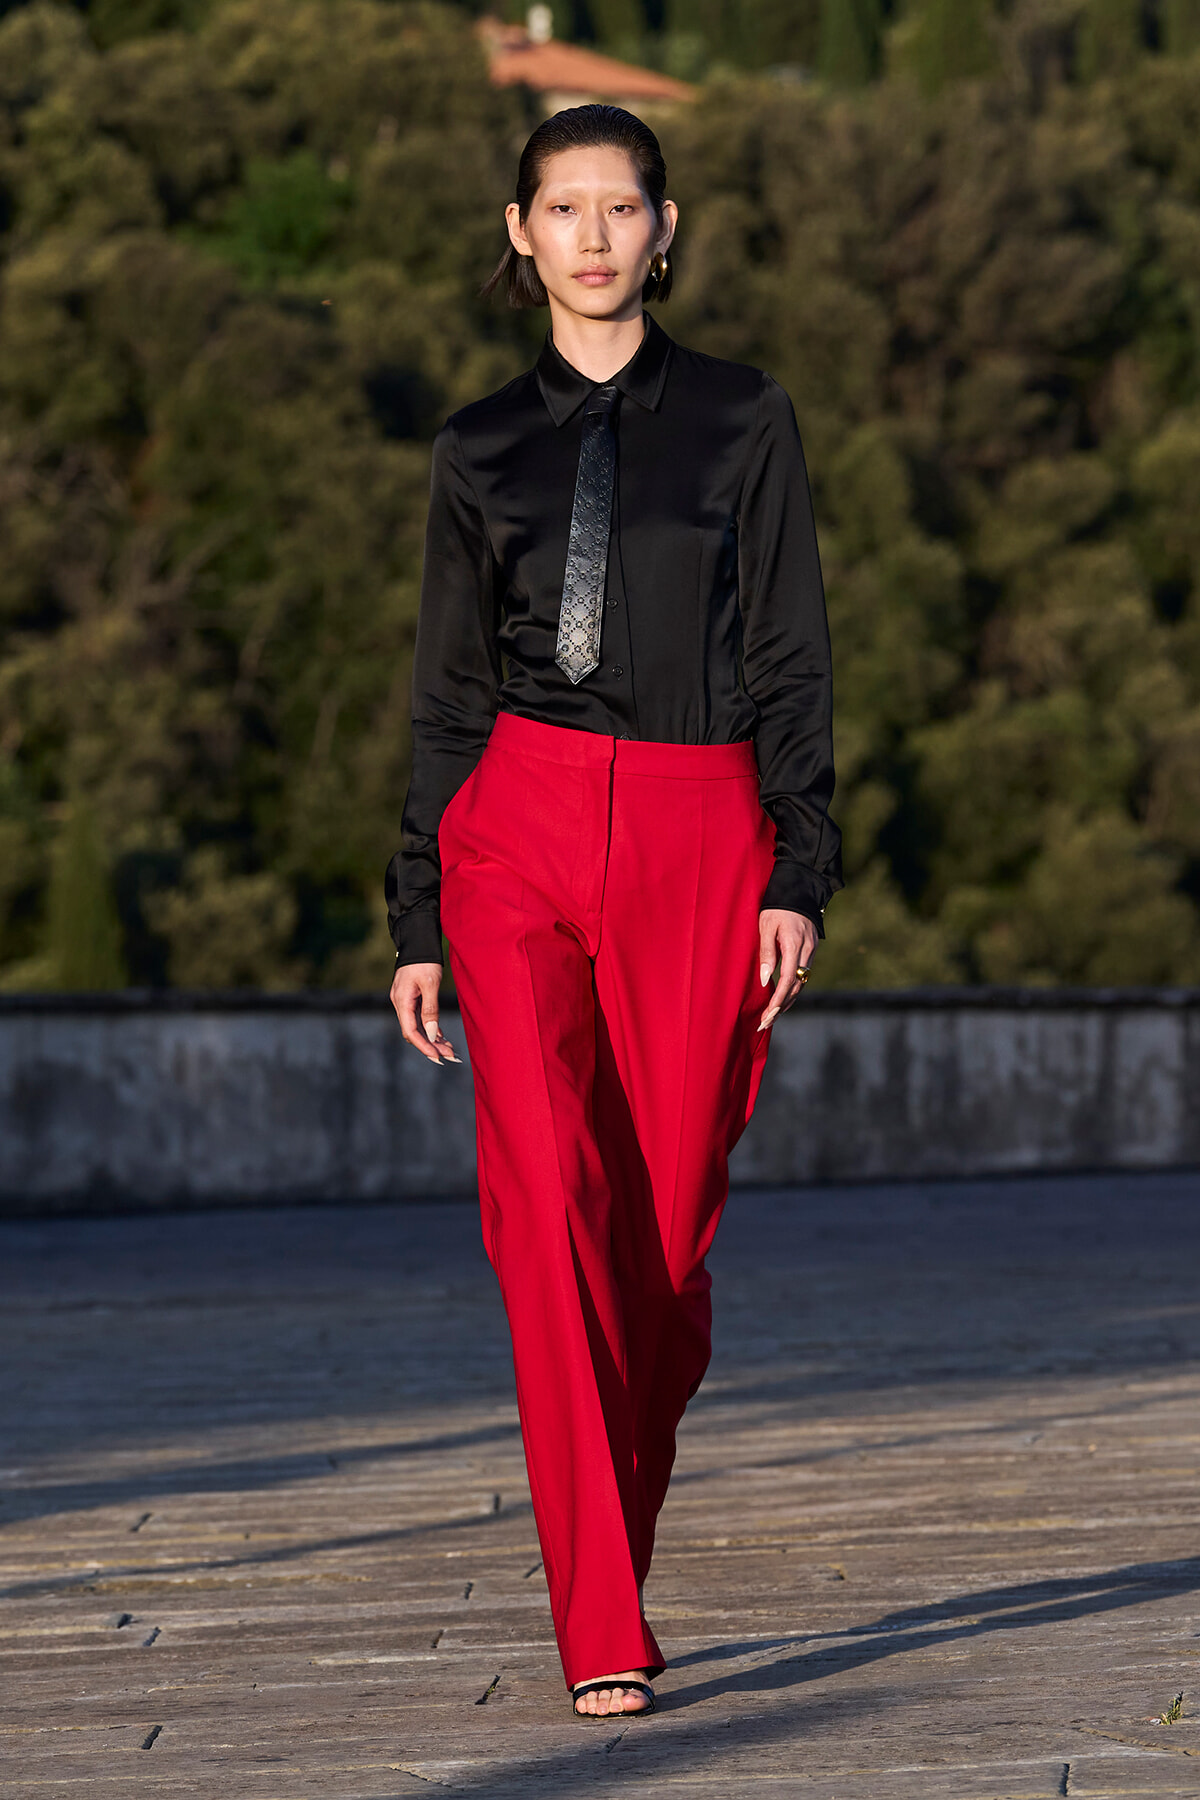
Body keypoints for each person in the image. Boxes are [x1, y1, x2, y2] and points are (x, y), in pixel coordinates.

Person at [385, 102, 842, 1720]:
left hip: (697, 827)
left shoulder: (744, 419)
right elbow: (446, 693)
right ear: (520, 235)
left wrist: (799, 868)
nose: (591, 235)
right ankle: (599, 1616)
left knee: (661, 1240)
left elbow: (790, 651)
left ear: (667, 228)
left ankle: (615, 1527)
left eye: (619, 207)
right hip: (513, 825)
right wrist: (420, 907)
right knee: (546, 1213)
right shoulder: (474, 448)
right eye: (560, 209)